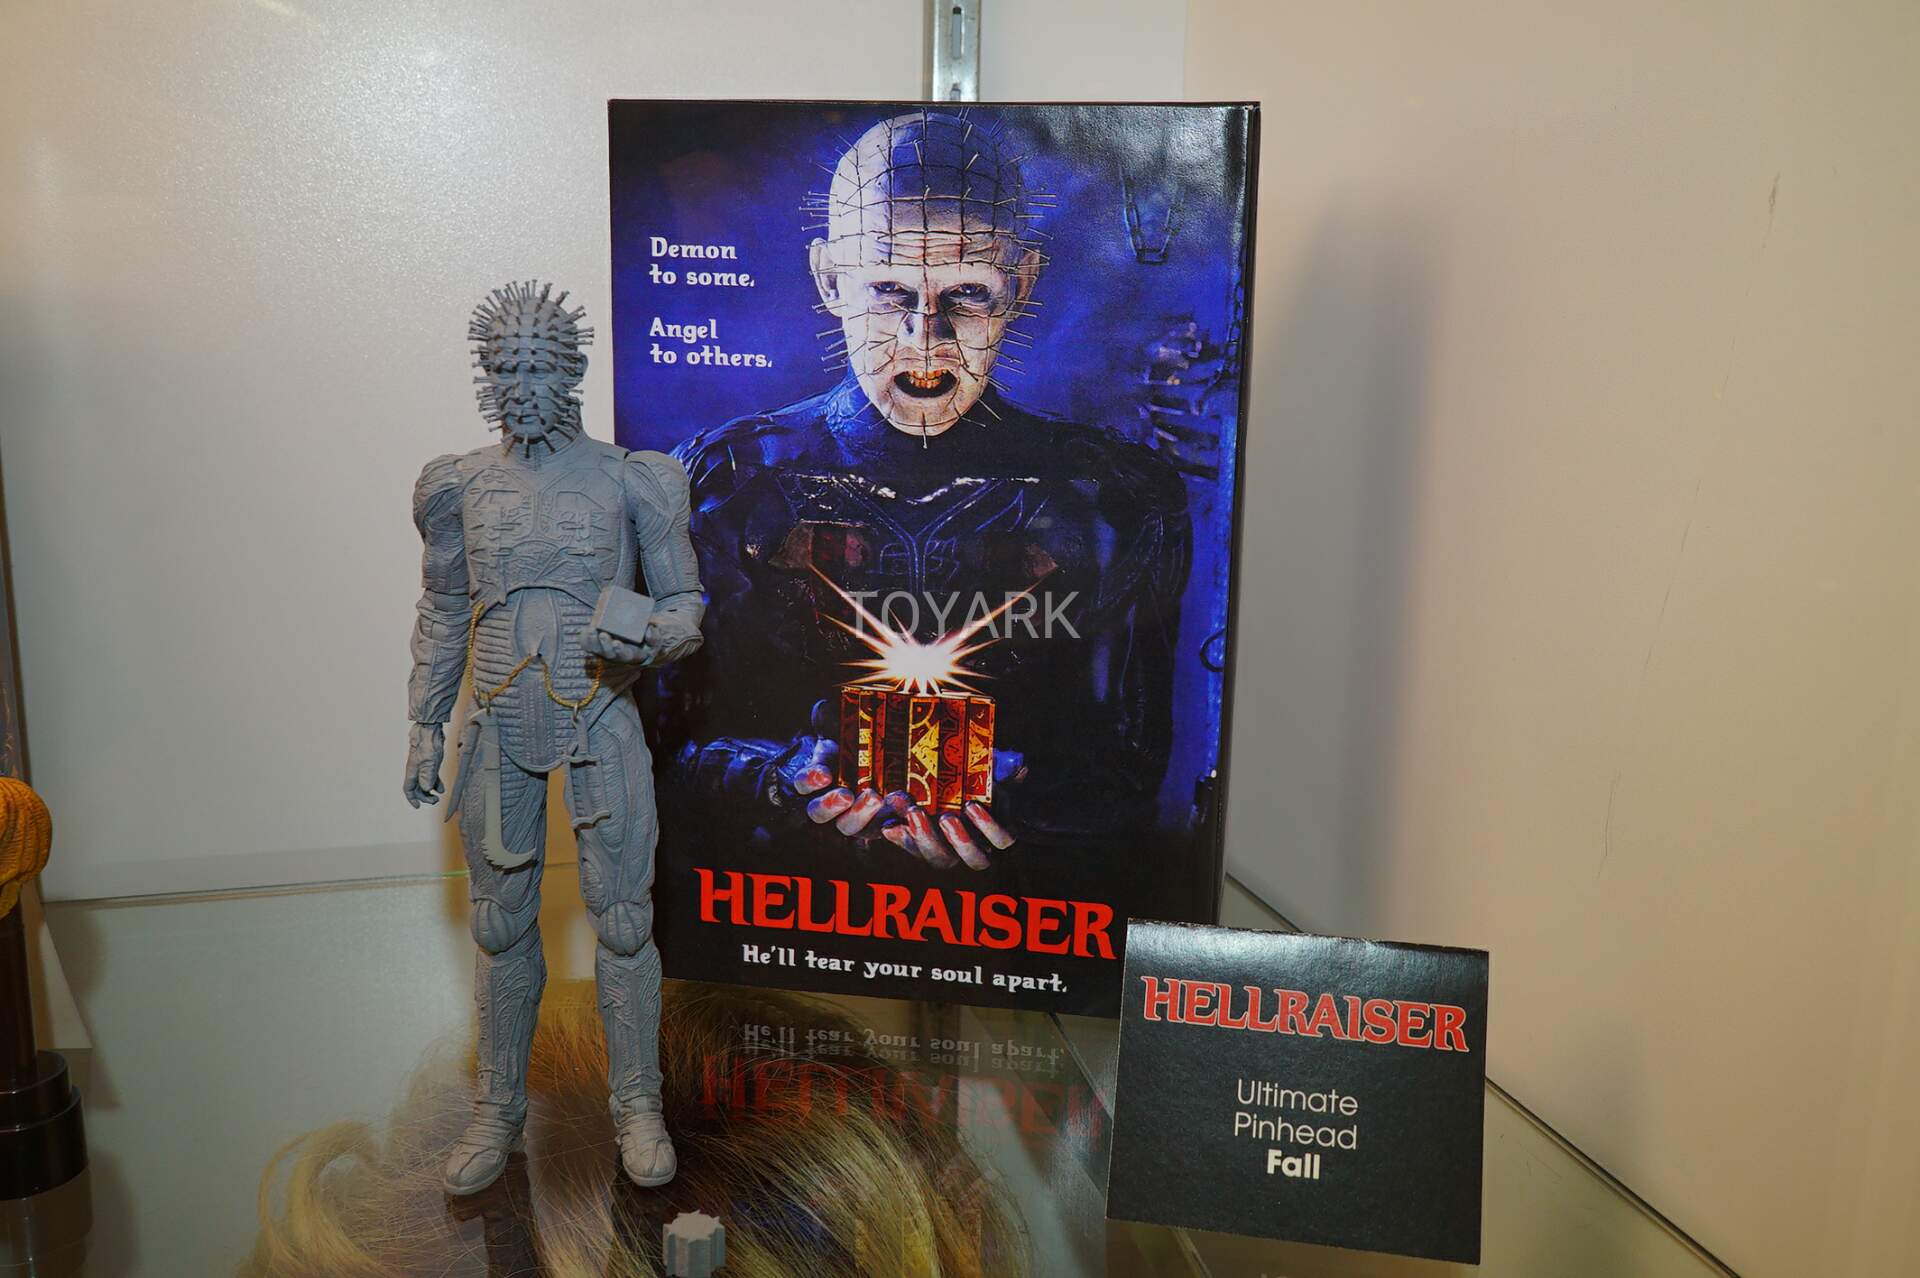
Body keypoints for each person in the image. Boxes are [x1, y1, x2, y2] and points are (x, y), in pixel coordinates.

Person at [666, 112, 1192, 871]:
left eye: (968, 292)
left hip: (1026, 915)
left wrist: (1023, 800)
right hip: (778, 903)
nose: (925, 336)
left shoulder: (1116, 502)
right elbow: (661, 742)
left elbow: (1135, 769)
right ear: (830, 280)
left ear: (1021, 284)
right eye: (888, 289)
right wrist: (779, 779)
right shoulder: (725, 484)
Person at [403, 281, 704, 1194]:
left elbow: (685, 603)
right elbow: (443, 607)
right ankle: (498, 1108)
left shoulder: (633, 478)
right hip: (497, 723)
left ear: (570, 368)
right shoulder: (458, 486)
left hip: (601, 714)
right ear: (486, 376)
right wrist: (424, 721)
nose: (522, 387)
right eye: (506, 370)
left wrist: (649, 636)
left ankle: (637, 1106)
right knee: (500, 924)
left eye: (537, 368)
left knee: (623, 920)